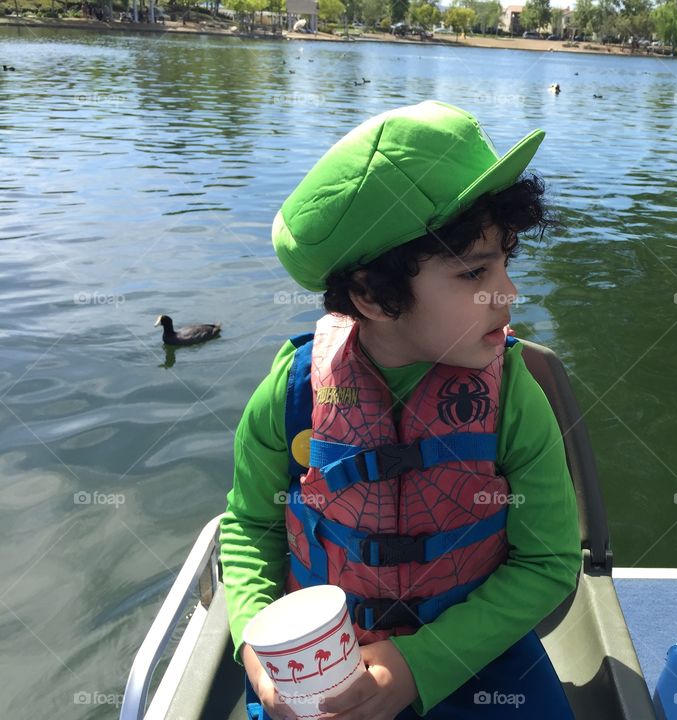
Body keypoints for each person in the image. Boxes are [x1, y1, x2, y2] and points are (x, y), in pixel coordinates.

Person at [220, 100, 581, 720]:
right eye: (474, 272)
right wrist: (259, 656)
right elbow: (250, 530)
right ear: (373, 296)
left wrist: (418, 665)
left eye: (505, 262)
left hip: (479, 654)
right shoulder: (292, 394)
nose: (509, 293)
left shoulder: (515, 395)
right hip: (317, 673)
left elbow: (548, 564)